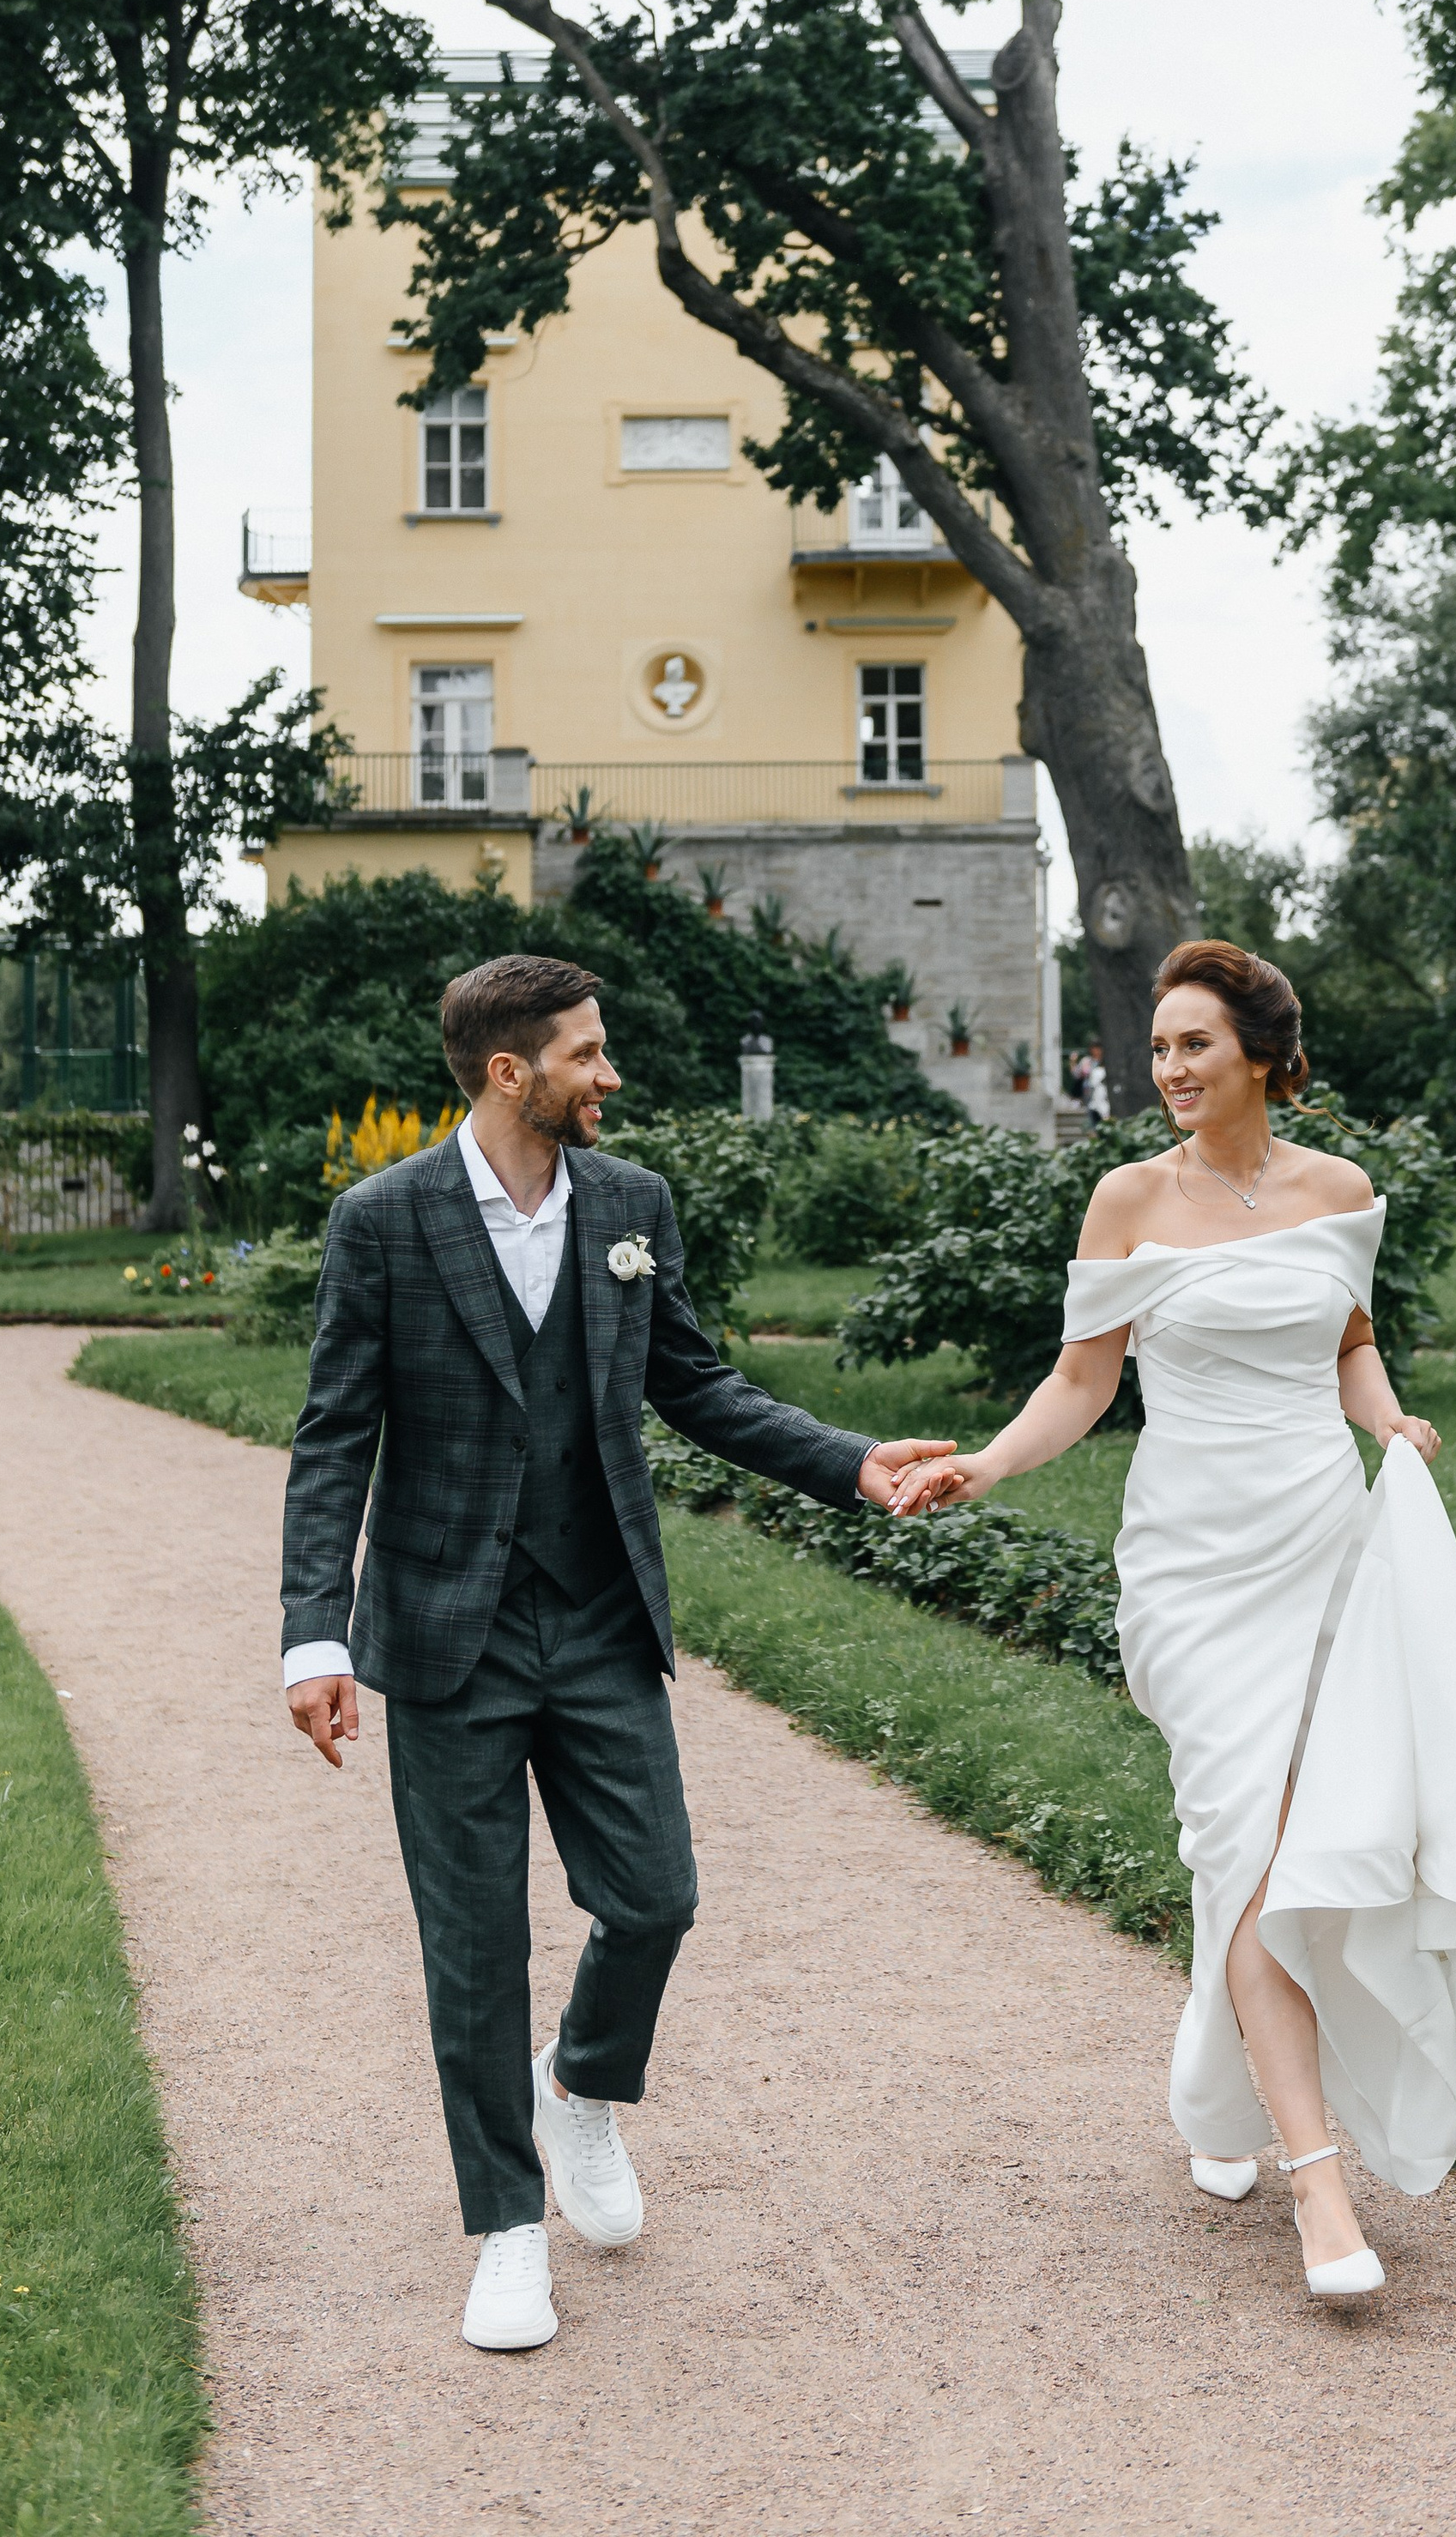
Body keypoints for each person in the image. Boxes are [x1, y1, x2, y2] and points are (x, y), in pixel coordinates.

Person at [891, 938, 1456, 2300]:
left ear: (1261, 1056)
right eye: (1157, 1049)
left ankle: (1227, 2102)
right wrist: (983, 1460)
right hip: (1192, 1571)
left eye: (1193, 1046)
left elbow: (1349, 1344)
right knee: (1244, 1843)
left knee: (1283, 1856)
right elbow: (1084, 1384)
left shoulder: (1340, 1192)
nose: (1167, 1071)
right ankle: (1324, 2198)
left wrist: (1391, 1421)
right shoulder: (1129, 1198)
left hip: (1325, 1548)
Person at [280, 954, 952, 2353]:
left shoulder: (632, 1206)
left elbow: (695, 1384)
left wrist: (850, 1462)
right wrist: (313, 1635)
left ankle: (580, 2085)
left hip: (596, 1619)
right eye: (588, 1054)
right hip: (446, 1634)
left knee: (653, 1897)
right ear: (511, 1072)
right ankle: (507, 2231)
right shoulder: (384, 1222)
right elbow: (335, 1435)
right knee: (472, 1949)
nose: (613, 1074)